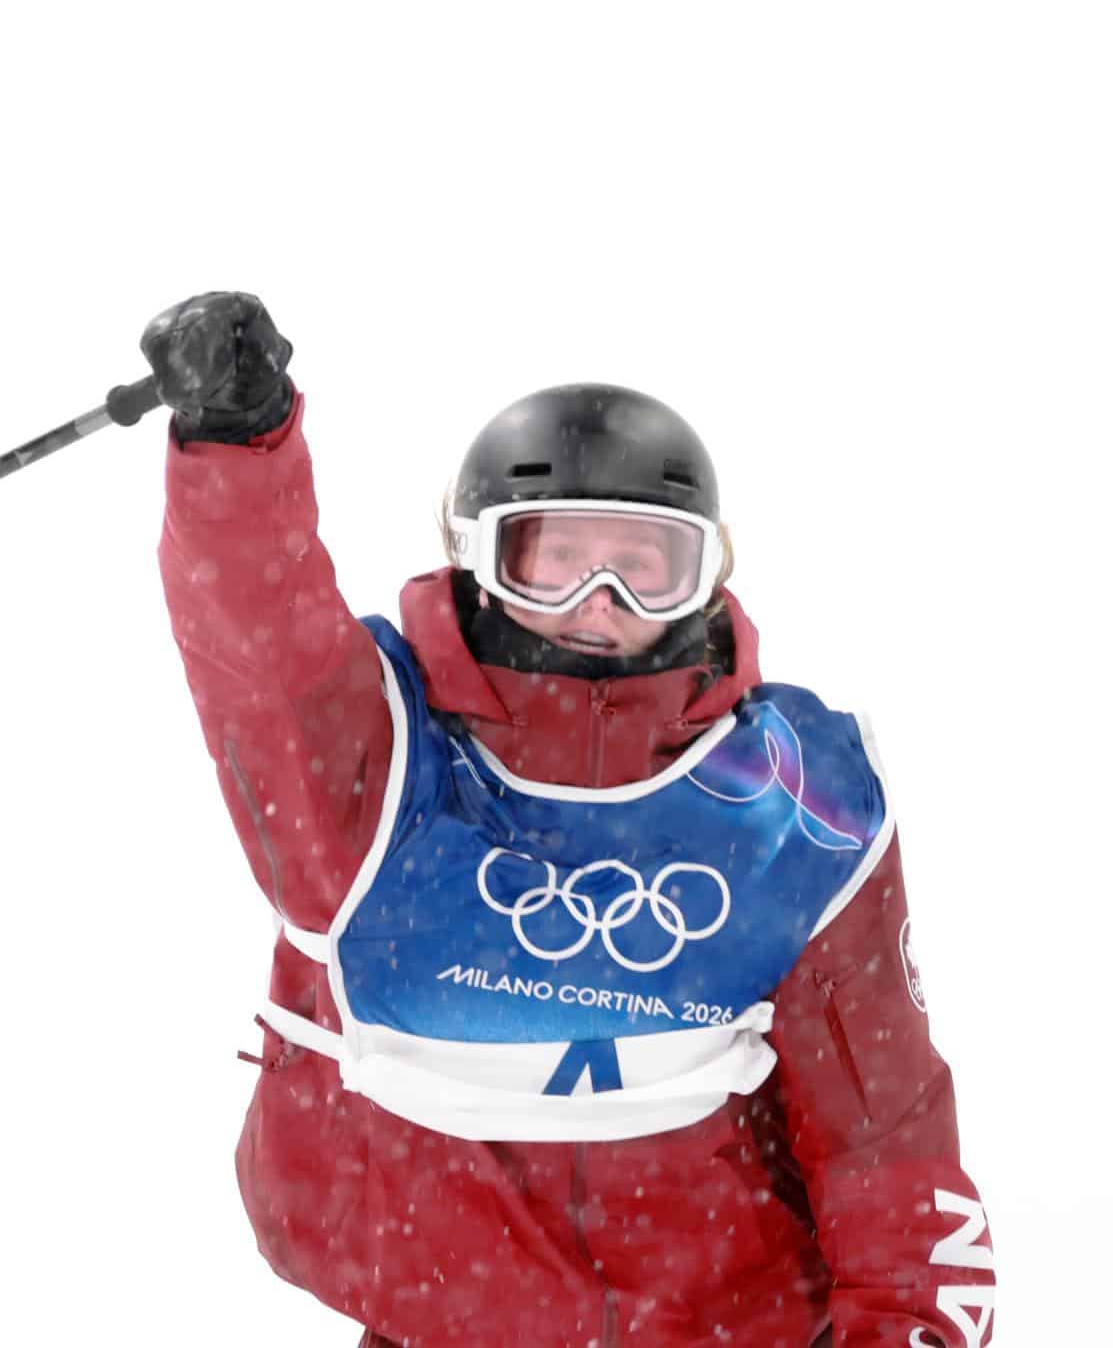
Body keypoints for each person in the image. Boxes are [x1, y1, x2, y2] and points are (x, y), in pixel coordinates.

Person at [145, 292, 996, 1348]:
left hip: (728, 1322)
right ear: (475, 557)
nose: (602, 602)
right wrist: (239, 447)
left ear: (707, 572)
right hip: (442, 1316)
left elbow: (886, 1129)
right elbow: (261, 651)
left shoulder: (793, 807)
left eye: (645, 567)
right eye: (553, 560)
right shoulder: (386, 763)